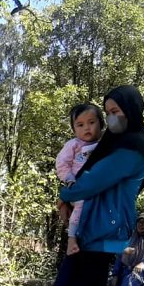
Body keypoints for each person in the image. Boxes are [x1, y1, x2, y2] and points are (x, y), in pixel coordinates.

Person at [21, 85, 144, 286]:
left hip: (102, 230)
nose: (111, 118)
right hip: (93, 228)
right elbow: (86, 173)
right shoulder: (115, 143)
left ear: (131, 110)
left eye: (116, 111)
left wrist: (65, 194)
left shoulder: (133, 147)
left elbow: (92, 182)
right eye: (108, 112)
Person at [56, 103, 104, 256]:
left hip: (96, 189)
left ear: (101, 124)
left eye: (91, 122)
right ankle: (72, 239)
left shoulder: (104, 145)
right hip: (78, 187)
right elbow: (62, 164)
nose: (87, 128)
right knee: (81, 206)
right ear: (74, 129)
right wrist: (69, 179)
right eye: (80, 125)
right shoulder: (73, 145)